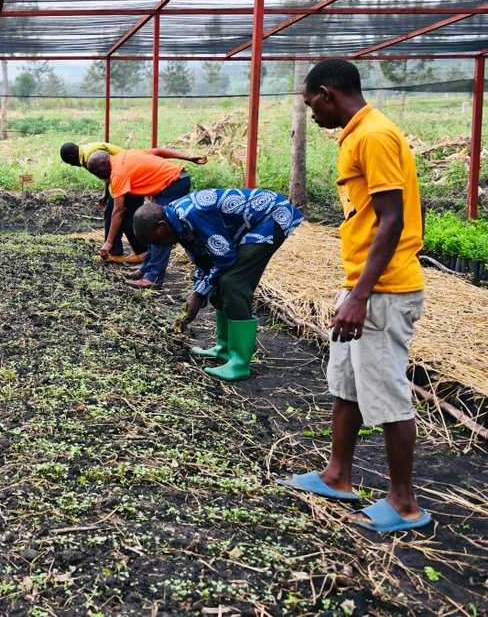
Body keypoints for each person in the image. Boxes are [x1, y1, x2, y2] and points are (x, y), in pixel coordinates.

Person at [280, 58, 429, 533]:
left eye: (311, 105)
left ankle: (404, 504)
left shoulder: (374, 136)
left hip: (383, 291)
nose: (312, 116)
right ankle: (337, 475)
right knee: (346, 384)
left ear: (326, 93)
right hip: (364, 285)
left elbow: (392, 220)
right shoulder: (356, 134)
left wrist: (360, 296)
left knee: (386, 394)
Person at [132, 189, 303, 380]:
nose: (159, 246)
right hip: (252, 224)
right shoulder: (178, 224)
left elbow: (224, 258)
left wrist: (198, 294)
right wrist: (199, 290)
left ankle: (239, 363)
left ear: (162, 226)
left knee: (232, 282)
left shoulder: (192, 214)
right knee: (216, 282)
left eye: (155, 241)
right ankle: (225, 348)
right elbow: (204, 261)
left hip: (269, 216)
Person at [85, 147, 207, 288]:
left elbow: (118, 211)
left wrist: (109, 242)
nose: (98, 176)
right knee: (151, 225)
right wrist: (188, 157)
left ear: (104, 164)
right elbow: (159, 151)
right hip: (173, 181)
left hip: (173, 183)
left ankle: (153, 278)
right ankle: (146, 268)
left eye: (97, 172)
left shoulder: (118, 174)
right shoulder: (126, 154)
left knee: (158, 229)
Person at [59, 141, 146, 264]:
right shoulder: (86, 154)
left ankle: (142, 252)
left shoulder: (91, 155)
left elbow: (110, 168)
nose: (73, 165)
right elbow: (107, 173)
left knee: (127, 219)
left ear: (72, 157)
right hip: (122, 182)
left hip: (130, 180)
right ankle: (116, 253)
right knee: (111, 215)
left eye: (70, 163)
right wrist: (106, 194)